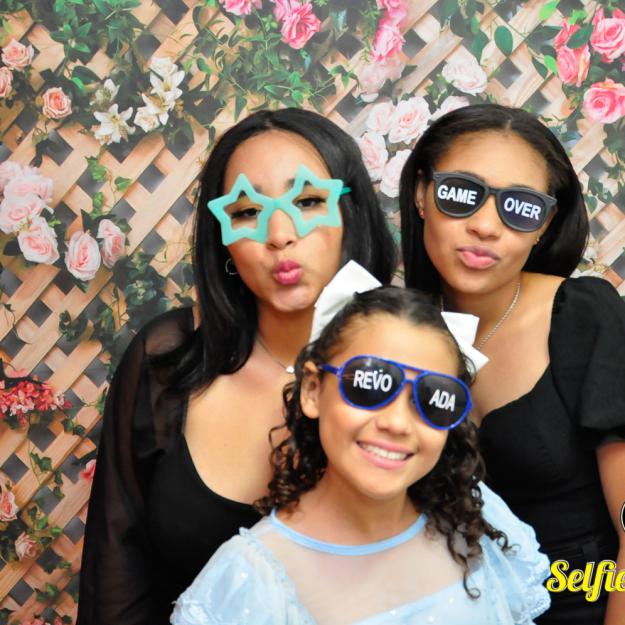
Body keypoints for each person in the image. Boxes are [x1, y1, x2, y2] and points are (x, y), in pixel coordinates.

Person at [77, 108, 397, 625]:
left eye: (307, 201)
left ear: (350, 215)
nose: (280, 234)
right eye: (248, 211)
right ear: (222, 237)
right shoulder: (166, 359)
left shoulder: (411, 363)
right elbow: (116, 570)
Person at [171, 286, 551, 625]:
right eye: (371, 386)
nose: (397, 423)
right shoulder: (252, 581)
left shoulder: (472, 519)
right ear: (313, 390)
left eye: (432, 399)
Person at [398, 103, 625, 624]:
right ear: (421, 194)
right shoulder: (392, 335)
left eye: (520, 207)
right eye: (462, 193)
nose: (485, 226)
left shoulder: (582, 316)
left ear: (545, 225)